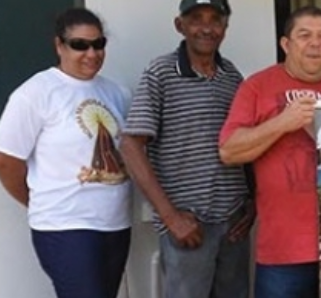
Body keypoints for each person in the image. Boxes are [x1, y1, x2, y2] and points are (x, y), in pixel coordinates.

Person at [217, 6, 321, 298]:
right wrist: (282, 123)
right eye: (304, 35)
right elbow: (229, 151)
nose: (315, 43)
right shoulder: (257, 86)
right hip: (283, 250)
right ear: (286, 44)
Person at [0, 8, 131, 298]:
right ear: (59, 45)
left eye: (98, 44)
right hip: (66, 227)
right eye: (79, 45)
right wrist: (38, 201)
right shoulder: (36, 93)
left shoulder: (117, 93)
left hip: (115, 224)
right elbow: (5, 160)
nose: (91, 53)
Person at [118, 1, 255, 298]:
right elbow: (131, 145)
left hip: (234, 223)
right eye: (196, 19)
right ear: (180, 26)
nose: (206, 28)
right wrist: (170, 217)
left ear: (225, 28)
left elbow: (246, 142)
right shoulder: (161, 72)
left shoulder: (232, 77)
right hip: (188, 225)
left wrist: (252, 200)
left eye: (215, 20)